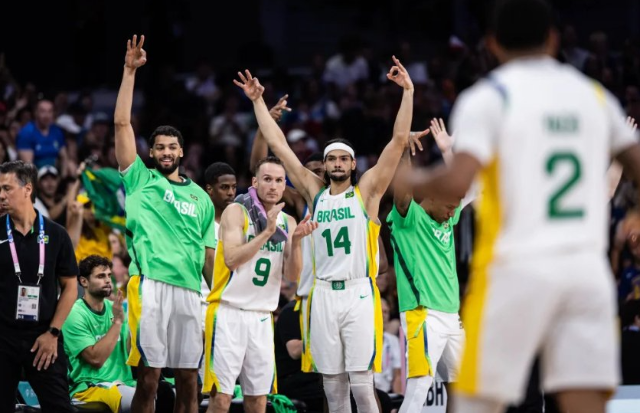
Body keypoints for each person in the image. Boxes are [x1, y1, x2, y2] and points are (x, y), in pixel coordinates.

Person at [413, 1, 640, 412]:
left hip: (517, 270)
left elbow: (457, 183)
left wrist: (412, 177)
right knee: (583, 402)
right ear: (554, 39)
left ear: (491, 45)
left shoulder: (489, 98)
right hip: (584, 272)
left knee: (478, 402)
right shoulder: (594, 96)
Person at [235, 55, 416, 413]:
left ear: (352, 164)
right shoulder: (313, 191)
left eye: (342, 159)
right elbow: (281, 147)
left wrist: (408, 92)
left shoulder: (366, 193)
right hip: (321, 296)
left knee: (363, 386)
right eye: (330, 158)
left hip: (357, 293)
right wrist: (257, 101)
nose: (335, 163)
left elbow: (397, 142)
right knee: (332, 388)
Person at [114, 35, 217, 412]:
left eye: (173, 147)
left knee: (191, 379)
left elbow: (209, 257)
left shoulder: (201, 198)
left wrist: (221, 295)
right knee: (150, 377)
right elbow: (122, 122)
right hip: (151, 286)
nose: (167, 152)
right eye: (160, 147)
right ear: (152, 152)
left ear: (182, 151)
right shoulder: (140, 178)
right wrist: (129, 72)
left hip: (191, 291)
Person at [203, 156, 317, 413]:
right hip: (228, 312)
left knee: (258, 400)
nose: (274, 186)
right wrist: (267, 231)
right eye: (267, 179)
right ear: (255, 182)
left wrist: (297, 242)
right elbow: (231, 260)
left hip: (262, 318)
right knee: (221, 397)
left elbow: (292, 276)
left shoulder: (287, 221)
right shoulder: (237, 211)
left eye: (279, 180)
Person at [388, 119, 469, 413]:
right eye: (449, 206)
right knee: (420, 386)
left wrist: (448, 151)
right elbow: (402, 191)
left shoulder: (447, 213)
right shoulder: (408, 219)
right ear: (431, 195)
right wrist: (403, 151)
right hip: (423, 314)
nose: (453, 213)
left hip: (452, 316)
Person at [0, 160, 78, 412]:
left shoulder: (56, 234)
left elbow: (70, 287)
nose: (1, 195)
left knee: (60, 407)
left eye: (6, 188)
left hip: (43, 336)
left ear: (27, 189)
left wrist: (53, 333)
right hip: (3, 336)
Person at [62, 255, 136, 412]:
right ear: (84, 282)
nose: (108, 280)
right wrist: (117, 323)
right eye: (101, 276)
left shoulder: (115, 308)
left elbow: (130, 353)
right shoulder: (74, 313)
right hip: (90, 387)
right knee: (138, 400)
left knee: (157, 393)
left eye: (109, 275)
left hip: (125, 382)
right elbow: (95, 359)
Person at [16, 99, 73, 175]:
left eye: (50, 111)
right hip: (36, 174)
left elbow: (64, 157)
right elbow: (28, 167)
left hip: (54, 173)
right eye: (43, 111)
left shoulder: (57, 131)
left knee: (71, 165)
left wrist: (63, 180)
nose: (46, 115)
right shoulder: (26, 133)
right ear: (35, 113)